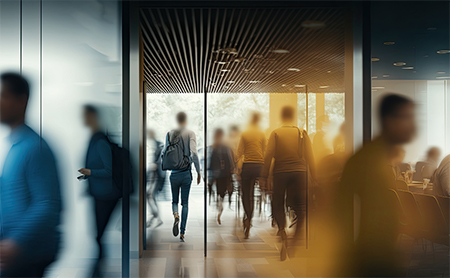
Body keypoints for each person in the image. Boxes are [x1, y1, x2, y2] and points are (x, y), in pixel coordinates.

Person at [330, 94, 416, 277]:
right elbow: (343, 213)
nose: (413, 125)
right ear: (390, 121)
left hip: (378, 255)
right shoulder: (370, 160)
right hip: (373, 258)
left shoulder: (380, 156)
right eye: (407, 117)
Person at [0, 73, 62, 277]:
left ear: (22, 100)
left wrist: (16, 241)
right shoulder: (15, 145)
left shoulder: (35, 147)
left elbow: (48, 204)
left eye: (3, 96)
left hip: (26, 252)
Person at [261, 106, 315, 261]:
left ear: (282, 117)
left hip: (280, 172)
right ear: (293, 117)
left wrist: (264, 176)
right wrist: (315, 176)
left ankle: (282, 231)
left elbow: (268, 155)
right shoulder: (301, 132)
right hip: (300, 173)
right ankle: (294, 241)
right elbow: (310, 156)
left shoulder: (276, 133)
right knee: (301, 208)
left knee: (277, 202)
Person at [79, 105, 122, 277]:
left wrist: (90, 173)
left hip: (106, 194)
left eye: (86, 115)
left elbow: (108, 170)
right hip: (97, 192)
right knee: (97, 231)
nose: (83, 119)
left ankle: (100, 262)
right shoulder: (93, 139)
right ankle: (99, 261)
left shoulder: (100, 142)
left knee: (98, 232)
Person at [162, 112, 201, 242]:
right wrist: (198, 171)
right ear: (186, 120)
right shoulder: (190, 133)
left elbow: (164, 153)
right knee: (185, 203)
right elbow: (194, 153)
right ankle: (182, 232)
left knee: (174, 201)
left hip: (173, 174)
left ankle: (175, 215)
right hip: (186, 174)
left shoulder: (169, 134)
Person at [236, 112, 266, 238]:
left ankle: (247, 217)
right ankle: (250, 219)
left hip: (247, 166)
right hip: (259, 166)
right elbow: (265, 151)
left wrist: (237, 169)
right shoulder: (262, 134)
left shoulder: (245, 133)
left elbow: (239, 152)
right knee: (252, 195)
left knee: (245, 194)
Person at [209, 128, 234, 225]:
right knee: (222, 193)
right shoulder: (226, 147)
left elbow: (211, 162)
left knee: (219, 191)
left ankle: (219, 205)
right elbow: (229, 161)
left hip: (216, 174)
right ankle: (220, 206)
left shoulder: (214, 147)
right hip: (225, 173)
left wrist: (210, 176)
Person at [146, 129, 165, 228]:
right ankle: (154, 217)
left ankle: (156, 217)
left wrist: (153, 165)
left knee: (150, 195)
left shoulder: (159, 145)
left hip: (157, 177)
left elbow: (158, 162)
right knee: (150, 196)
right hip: (154, 176)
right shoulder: (155, 144)